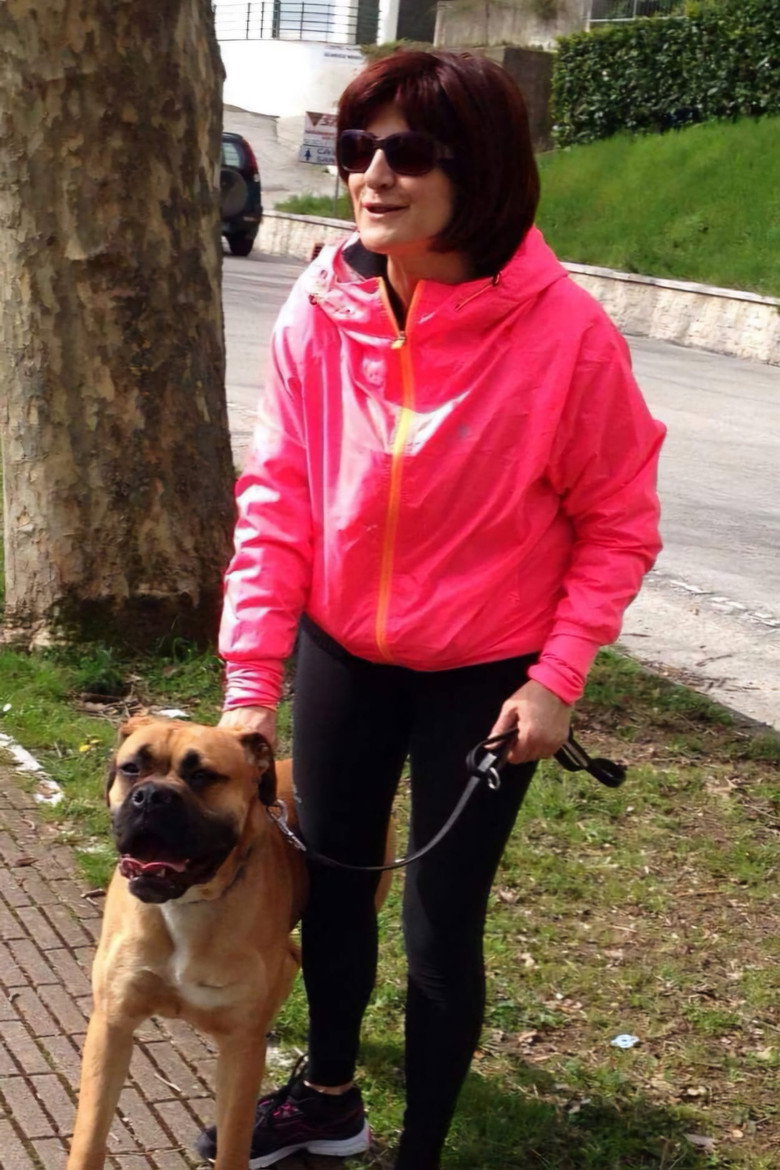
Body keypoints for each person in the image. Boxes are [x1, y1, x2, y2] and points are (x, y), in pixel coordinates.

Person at [207, 49, 665, 1170]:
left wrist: (556, 679)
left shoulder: (566, 336)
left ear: (482, 169)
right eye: (358, 147)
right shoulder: (322, 307)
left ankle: (421, 1149)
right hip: (344, 654)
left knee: (439, 922)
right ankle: (328, 1097)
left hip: (487, 675)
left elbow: (618, 521)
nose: (372, 174)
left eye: (408, 152)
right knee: (335, 893)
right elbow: (279, 503)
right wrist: (250, 683)